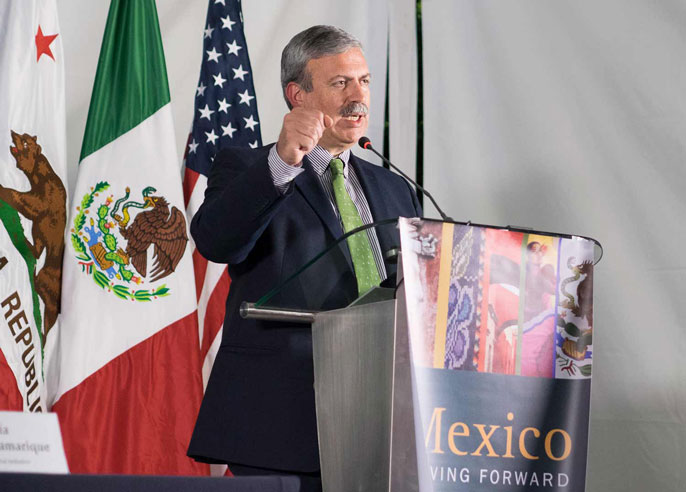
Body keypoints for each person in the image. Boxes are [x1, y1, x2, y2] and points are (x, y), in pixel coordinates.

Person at [187, 25, 421, 489]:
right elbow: (215, 241)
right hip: (282, 422)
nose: (359, 97)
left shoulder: (397, 188)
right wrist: (282, 162)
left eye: (364, 81)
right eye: (341, 83)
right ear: (298, 96)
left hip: (384, 418)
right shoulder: (247, 167)